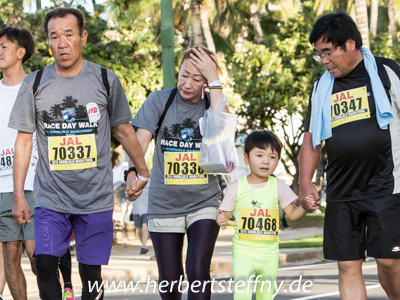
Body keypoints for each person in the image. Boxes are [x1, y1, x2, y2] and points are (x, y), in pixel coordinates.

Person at [9, 7, 149, 300]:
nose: (62, 43)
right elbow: (23, 141)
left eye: (69, 35)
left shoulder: (105, 79)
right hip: (51, 196)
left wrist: (142, 171)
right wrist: (19, 195)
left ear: (82, 37)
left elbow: (123, 131)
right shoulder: (33, 84)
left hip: (94, 197)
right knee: (44, 264)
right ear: (48, 42)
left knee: (90, 274)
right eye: (54, 36)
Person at [299, 11, 400, 300]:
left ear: (350, 45)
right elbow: (311, 139)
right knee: (347, 265)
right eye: (319, 54)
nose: (324, 61)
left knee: (390, 262)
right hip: (342, 191)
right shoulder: (321, 88)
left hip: (387, 187)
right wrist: (306, 182)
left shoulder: (385, 72)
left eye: (328, 52)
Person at [126, 46, 229, 300]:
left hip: (204, 201)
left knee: (197, 270)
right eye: (184, 75)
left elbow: (225, 133)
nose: (188, 84)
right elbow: (139, 143)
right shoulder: (160, 100)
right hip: (164, 203)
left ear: (207, 82)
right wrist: (134, 172)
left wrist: (214, 80)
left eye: (197, 78)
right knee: (170, 282)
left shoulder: (213, 103)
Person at [217, 130, 308, 299]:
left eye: (272, 157)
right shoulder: (236, 186)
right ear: (246, 158)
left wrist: (306, 207)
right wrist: (221, 219)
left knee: (266, 296)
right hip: (243, 253)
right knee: (242, 295)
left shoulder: (279, 186)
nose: (266, 161)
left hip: (269, 255)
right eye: (259, 155)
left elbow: (293, 214)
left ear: (278, 161)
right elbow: (224, 214)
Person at [0, 26, 36, 300]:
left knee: (37, 254)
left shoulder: (36, 86)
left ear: (20, 52)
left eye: (4, 46)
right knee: (9, 254)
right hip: (1, 186)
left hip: (36, 182)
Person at [129, 181, 150, 254]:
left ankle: (144, 246)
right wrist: (127, 207)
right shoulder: (133, 182)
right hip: (136, 210)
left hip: (146, 209)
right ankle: (143, 243)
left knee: (145, 227)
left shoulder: (149, 183)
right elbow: (128, 195)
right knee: (139, 229)